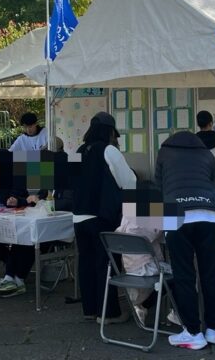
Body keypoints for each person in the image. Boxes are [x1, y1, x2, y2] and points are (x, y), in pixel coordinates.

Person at [155, 131, 215, 350]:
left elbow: (159, 188)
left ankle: (192, 332)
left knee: (184, 275)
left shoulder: (164, 153)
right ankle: (214, 328)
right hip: (209, 215)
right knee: (211, 274)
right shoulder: (207, 155)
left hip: (176, 215)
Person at [73, 112, 135, 324]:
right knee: (105, 264)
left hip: (78, 216)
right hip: (102, 216)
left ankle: (89, 309)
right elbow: (129, 181)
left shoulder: (78, 151)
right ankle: (108, 313)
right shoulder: (109, 150)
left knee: (86, 264)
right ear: (110, 132)